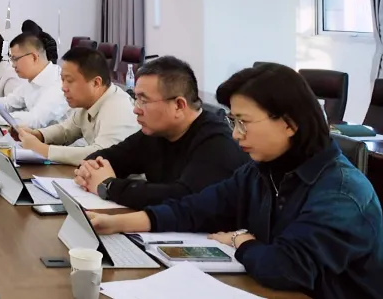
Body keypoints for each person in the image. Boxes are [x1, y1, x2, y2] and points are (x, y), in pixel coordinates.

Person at [88, 64, 383, 299]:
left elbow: (283, 268)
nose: (235, 134)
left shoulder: (341, 193)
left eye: (244, 122)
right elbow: (197, 208)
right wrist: (117, 223)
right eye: (233, 121)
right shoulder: (262, 170)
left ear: (289, 124)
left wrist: (240, 241)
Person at [72, 56, 249, 209]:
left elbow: (184, 198)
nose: (136, 109)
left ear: (178, 105)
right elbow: (106, 157)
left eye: (144, 101)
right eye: (136, 99)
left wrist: (109, 186)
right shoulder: (155, 133)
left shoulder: (217, 143)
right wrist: (89, 170)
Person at [13, 46, 138, 165]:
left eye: (69, 81)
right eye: (62, 80)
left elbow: (101, 154)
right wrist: (38, 135)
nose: (63, 87)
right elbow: (66, 130)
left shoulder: (118, 108)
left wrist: (43, 150)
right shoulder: (87, 103)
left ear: (96, 83)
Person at [0, 32, 69, 129]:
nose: (12, 65)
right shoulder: (31, 81)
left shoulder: (56, 83)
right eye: (11, 59)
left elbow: (35, 120)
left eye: (15, 59)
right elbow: (9, 102)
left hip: (58, 146)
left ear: (34, 57)